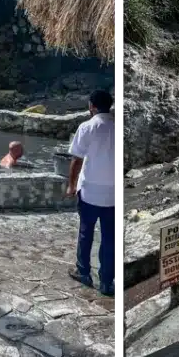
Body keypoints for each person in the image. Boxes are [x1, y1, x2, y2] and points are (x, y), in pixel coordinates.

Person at [67, 89, 120, 297]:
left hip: (89, 192)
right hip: (113, 196)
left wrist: (71, 186)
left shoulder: (87, 127)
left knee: (86, 232)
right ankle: (107, 282)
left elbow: (76, 159)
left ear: (92, 106)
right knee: (109, 238)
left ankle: (83, 272)